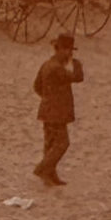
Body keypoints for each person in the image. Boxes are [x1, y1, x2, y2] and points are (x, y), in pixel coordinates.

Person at [32, 33, 84, 186]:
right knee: (62, 143)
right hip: (56, 114)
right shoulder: (57, 69)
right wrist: (77, 63)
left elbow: (36, 86)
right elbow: (78, 77)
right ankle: (42, 169)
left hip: (47, 111)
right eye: (68, 50)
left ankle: (50, 175)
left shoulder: (47, 64)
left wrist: (47, 98)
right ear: (59, 49)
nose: (70, 54)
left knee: (50, 144)